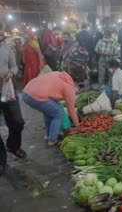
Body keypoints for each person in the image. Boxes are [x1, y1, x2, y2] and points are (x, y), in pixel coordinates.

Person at [22, 72, 80, 147]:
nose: (77, 87)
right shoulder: (69, 85)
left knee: (49, 111)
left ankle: (49, 135)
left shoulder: (59, 74)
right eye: (78, 85)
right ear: (75, 82)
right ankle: (52, 140)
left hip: (26, 92)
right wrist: (77, 124)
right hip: (35, 95)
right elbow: (70, 107)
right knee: (58, 113)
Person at [0, 23, 26, 175]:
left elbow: (14, 66)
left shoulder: (5, 47)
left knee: (17, 122)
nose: (1, 35)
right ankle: (1, 160)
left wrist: (11, 73)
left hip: (7, 89)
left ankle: (13, 145)